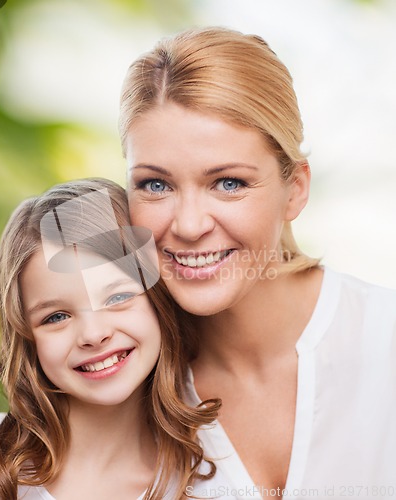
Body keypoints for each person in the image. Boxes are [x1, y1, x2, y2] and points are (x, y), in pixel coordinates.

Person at [119, 27, 396, 499]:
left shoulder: (383, 339)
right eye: (156, 185)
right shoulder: (117, 380)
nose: (187, 225)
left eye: (228, 183)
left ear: (296, 189)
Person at [0, 178, 223, 500]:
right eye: (56, 317)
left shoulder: (209, 482)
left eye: (118, 297)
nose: (94, 335)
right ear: (27, 338)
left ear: (160, 301)